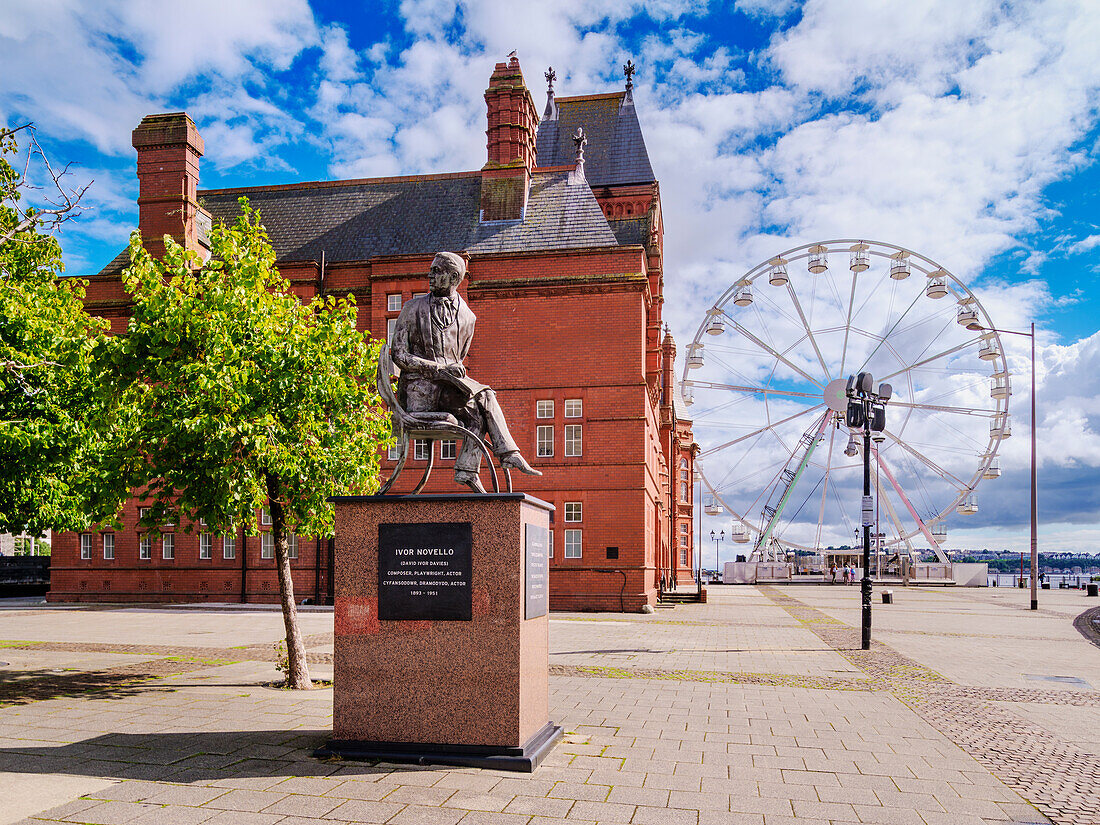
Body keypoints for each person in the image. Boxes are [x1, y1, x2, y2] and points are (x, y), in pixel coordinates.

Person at [390, 252, 542, 494]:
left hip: (448, 391)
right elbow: (398, 355)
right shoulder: (412, 308)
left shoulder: (468, 317)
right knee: (486, 399)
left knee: (479, 411)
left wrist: (453, 372)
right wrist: (439, 368)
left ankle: (468, 470)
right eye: (431, 270)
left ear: (453, 277)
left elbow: (459, 358)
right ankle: (503, 456)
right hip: (420, 393)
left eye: (437, 271)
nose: (430, 274)